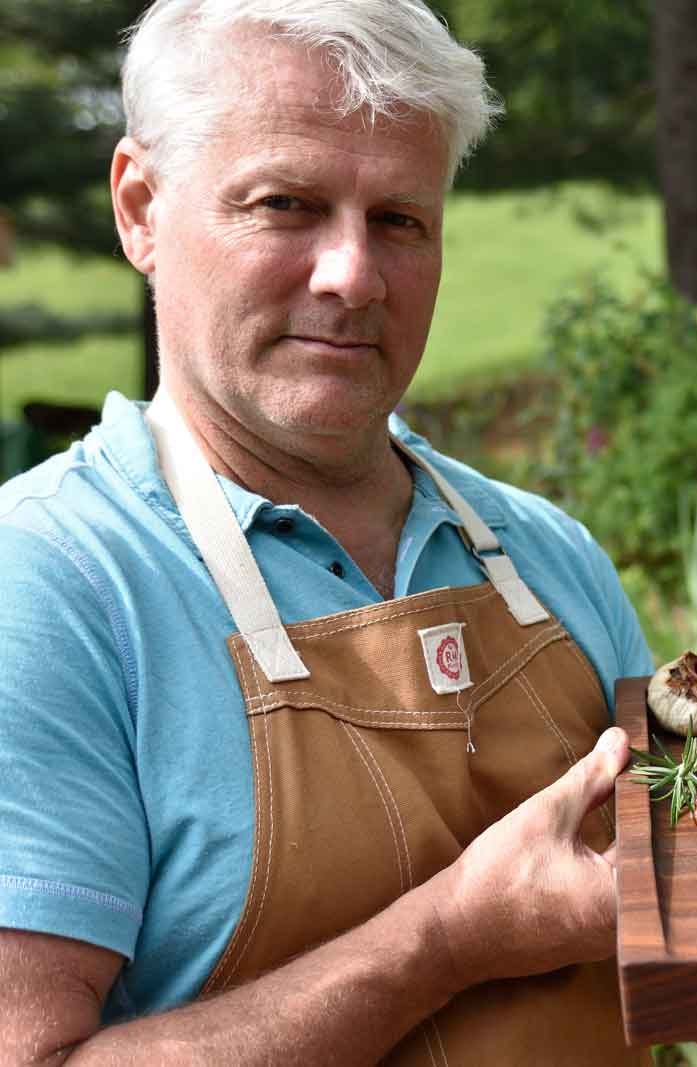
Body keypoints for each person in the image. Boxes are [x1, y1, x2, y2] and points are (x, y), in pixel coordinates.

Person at [0, 2, 661, 1062]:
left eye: (400, 218)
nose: (353, 275)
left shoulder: (547, 554)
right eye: (286, 203)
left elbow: (696, 943)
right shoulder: (47, 586)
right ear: (140, 209)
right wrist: (446, 940)